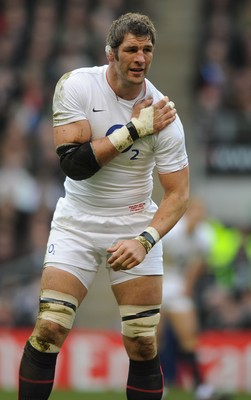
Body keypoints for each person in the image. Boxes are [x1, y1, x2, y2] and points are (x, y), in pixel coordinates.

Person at [18, 12, 189, 400]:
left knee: (142, 342)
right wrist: (133, 130)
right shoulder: (77, 85)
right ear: (110, 54)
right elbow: (73, 165)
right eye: (131, 49)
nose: (140, 58)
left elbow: (178, 195)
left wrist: (144, 240)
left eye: (147, 50)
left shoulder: (165, 116)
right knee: (49, 329)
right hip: (76, 220)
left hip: (133, 223)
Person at [158, 198, 215, 400]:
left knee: (188, 336)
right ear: (187, 213)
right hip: (160, 281)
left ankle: (201, 386)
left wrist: (189, 284)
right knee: (156, 338)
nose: (199, 216)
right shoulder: (172, 232)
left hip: (179, 285)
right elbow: (155, 255)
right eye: (195, 212)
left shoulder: (206, 235)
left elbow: (199, 260)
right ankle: (157, 384)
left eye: (202, 212)